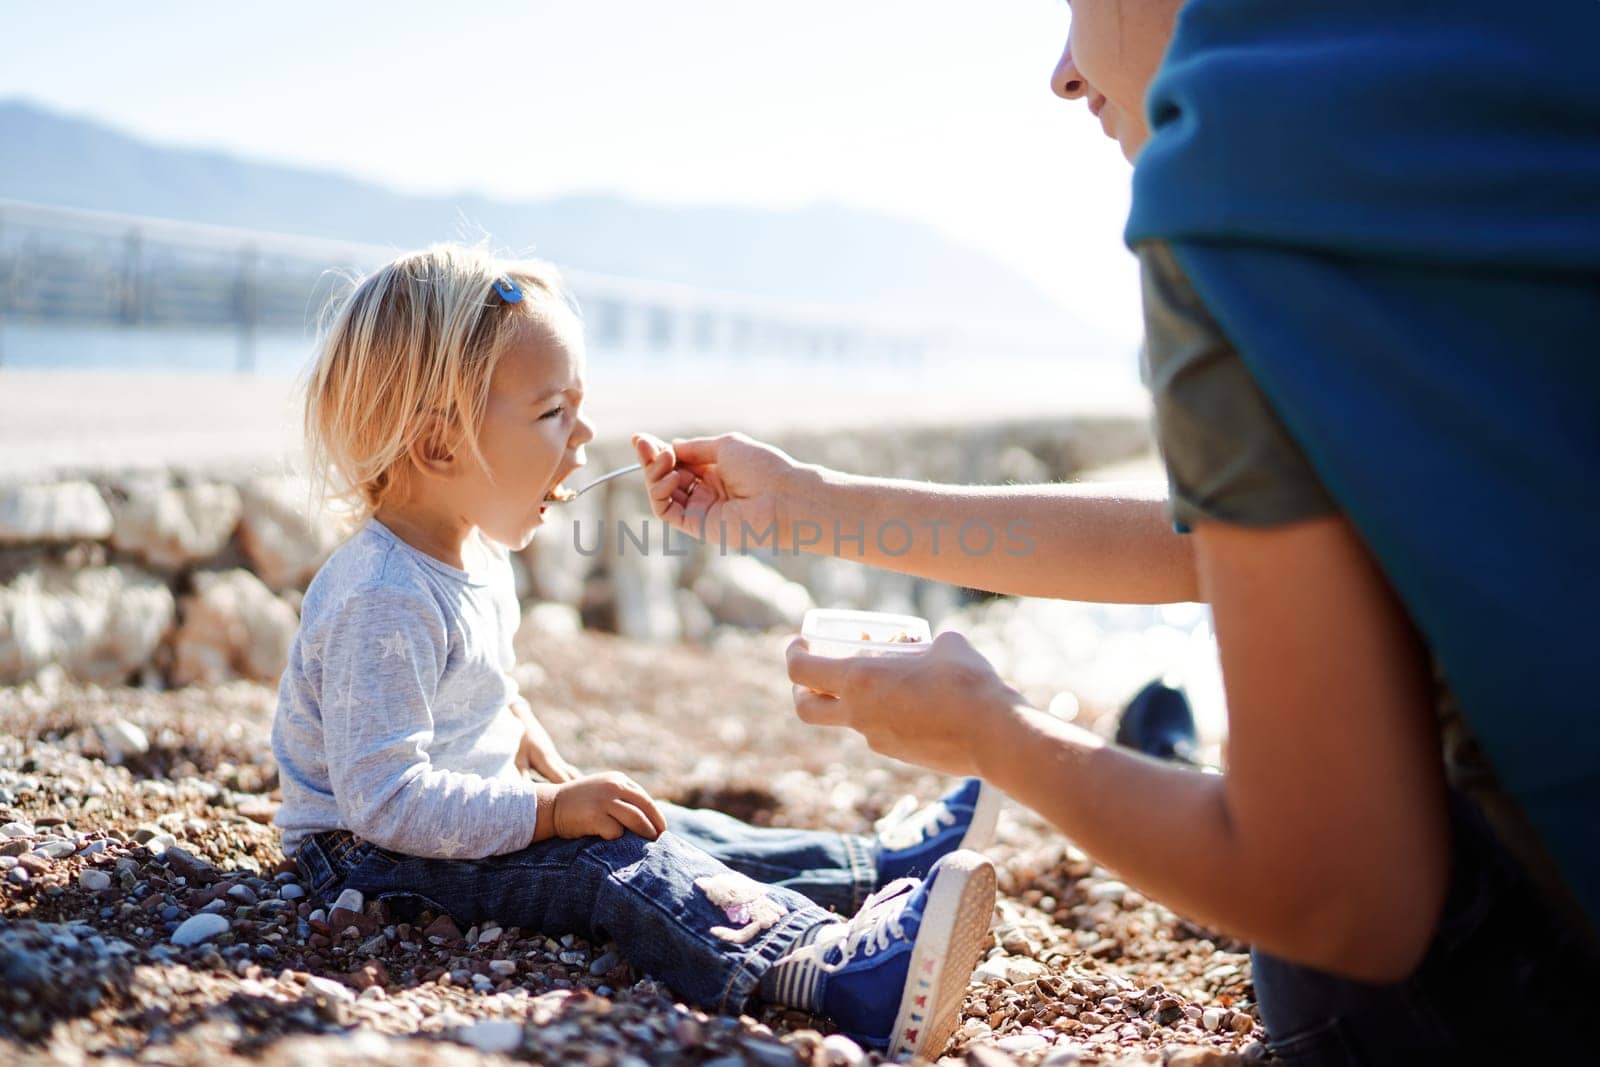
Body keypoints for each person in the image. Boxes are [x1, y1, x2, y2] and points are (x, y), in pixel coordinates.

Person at [634, 1, 1600, 1060]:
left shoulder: (1240, 156)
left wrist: (994, 733)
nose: (1061, 71)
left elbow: (1341, 898)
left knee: (1312, 971)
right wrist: (814, 505)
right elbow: (1203, 547)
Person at [269, 243, 1002, 1060]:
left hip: (441, 817)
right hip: (367, 860)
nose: (584, 438)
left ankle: (871, 865)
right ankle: (821, 969)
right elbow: (382, 797)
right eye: (553, 413)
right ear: (441, 446)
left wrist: (530, 750)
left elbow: (484, 689)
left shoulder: (472, 553)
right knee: (607, 862)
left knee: (659, 825)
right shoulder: (383, 594)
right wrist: (547, 812)